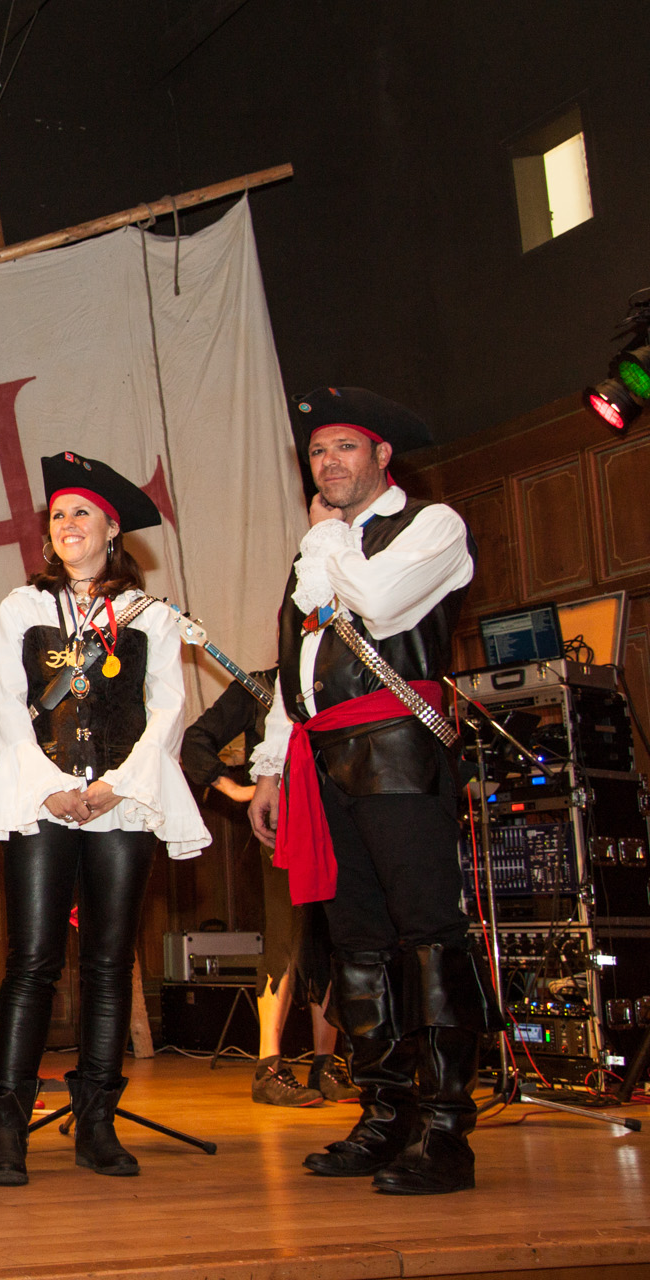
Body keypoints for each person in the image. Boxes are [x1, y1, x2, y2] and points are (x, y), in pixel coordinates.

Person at [246, 387, 498, 1196]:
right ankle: (386, 1113)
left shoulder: (431, 525)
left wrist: (324, 539)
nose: (328, 462)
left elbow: (380, 603)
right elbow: (296, 668)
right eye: (318, 451)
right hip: (320, 758)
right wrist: (272, 765)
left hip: (395, 749)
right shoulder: (316, 552)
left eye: (345, 447)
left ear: (383, 455)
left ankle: (446, 1129)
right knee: (356, 942)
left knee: (427, 931)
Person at [0, 451, 211, 1186]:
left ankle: (98, 1124)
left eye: (82, 513)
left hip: (122, 801)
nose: (68, 524)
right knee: (33, 963)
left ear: (112, 529)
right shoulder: (21, 608)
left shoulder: (150, 616)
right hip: (41, 799)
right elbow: (7, 705)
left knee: (110, 963)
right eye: (58, 515)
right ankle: (8, 1127)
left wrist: (117, 785)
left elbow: (167, 709)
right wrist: (50, 788)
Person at [181, 669, 353, 1106]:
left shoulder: (337, 671)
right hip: (284, 824)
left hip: (341, 817)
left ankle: (326, 1064)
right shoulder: (259, 684)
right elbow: (195, 742)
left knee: (332, 939)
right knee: (285, 939)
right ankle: (269, 1067)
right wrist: (236, 789)